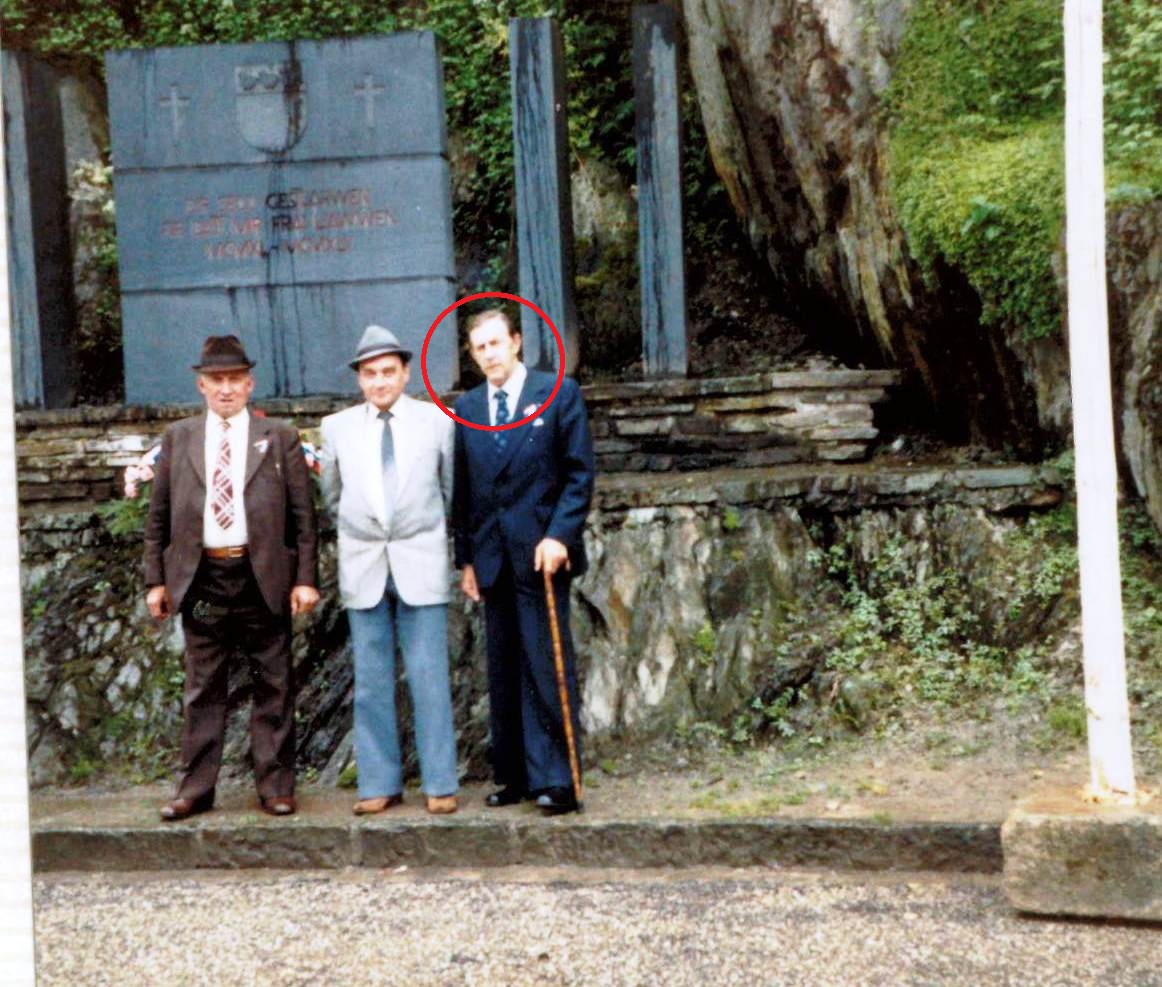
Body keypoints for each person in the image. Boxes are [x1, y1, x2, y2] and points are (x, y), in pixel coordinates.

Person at [144, 334, 319, 821]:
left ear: (250, 384)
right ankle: (195, 789)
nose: (226, 389)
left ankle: (276, 786)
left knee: (273, 681)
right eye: (216, 380)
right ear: (201, 385)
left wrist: (305, 579)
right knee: (203, 685)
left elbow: (303, 518)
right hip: (202, 580)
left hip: (262, 576)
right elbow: (158, 517)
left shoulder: (279, 437)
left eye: (235, 379)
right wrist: (155, 581)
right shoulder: (178, 438)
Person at [453, 309, 594, 814]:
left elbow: (579, 475)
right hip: (492, 558)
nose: (489, 354)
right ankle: (514, 775)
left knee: (545, 665)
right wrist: (466, 559)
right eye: (479, 348)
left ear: (516, 342)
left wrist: (559, 535)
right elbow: (465, 490)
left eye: (496, 343)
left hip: (542, 556)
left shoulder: (557, 394)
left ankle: (556, 779)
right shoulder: (468, 406)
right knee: (504, 669)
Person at [320, 325, 459, 815]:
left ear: (405, 374)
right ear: (359, 379)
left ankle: (440, 783)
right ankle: (378, 784)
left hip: (420, 559)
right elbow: (333, 497)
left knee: (428, 676)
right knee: (371, 680)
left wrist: (422, 534)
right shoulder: (336, 428)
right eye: (369, 374)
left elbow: (448, 492)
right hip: (364, 565)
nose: (379, 382)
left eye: (387, 372)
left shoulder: (437, 422)